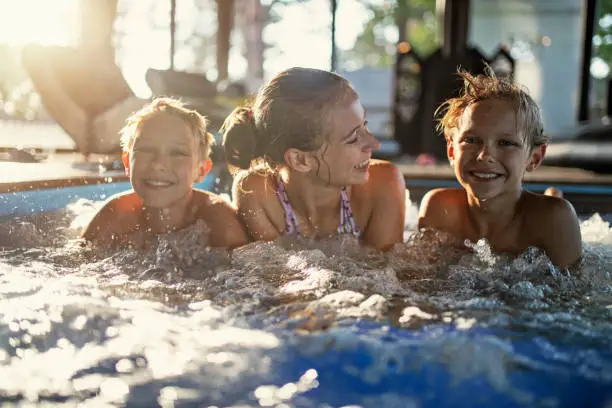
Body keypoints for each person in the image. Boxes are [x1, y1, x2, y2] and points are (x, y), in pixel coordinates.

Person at [221, 67, 405, 251]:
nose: (373, 144)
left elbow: (387, 272)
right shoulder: (257, 192)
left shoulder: (382, 185)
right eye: (353, 138)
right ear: (300, 159)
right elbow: (274, 276)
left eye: (365, 125)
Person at [418, 70, 581, 268]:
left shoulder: (553, 220)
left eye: (505, 143)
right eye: (471, 140)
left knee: (554, 201)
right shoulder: (439, 209)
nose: (484, 156)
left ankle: (554, 194)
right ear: (452, 151)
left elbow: (571, 295)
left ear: (534, 158)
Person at [82, 97, 248, 250]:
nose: (158, 164)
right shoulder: (115, 216)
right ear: (127, 162)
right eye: (146, 150)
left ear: (201, 170)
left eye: (177, 153)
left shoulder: (220, 225)